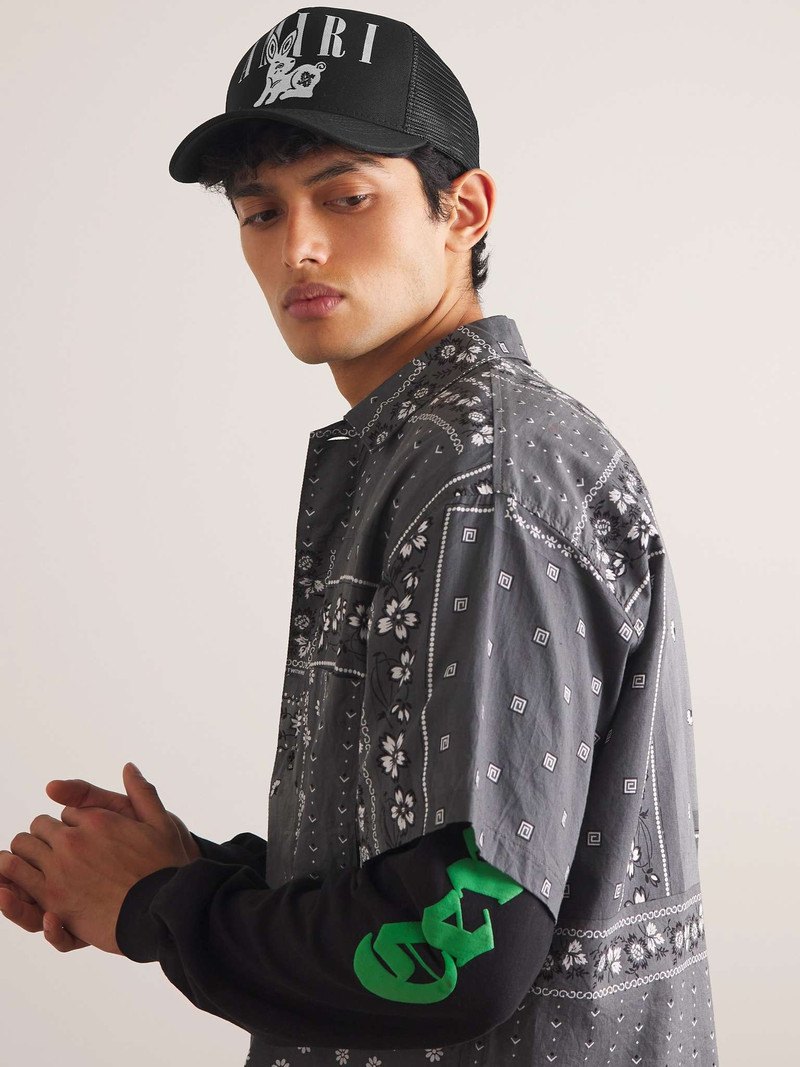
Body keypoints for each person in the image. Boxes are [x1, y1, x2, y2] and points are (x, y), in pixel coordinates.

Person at [0, 6, 720, 1064]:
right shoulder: (429, 450)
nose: (298, 245)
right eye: (260, 211)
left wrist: (160, 905)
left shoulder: (480, 476)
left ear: (462, 210)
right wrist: (188, 875)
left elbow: (459, 949)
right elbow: (436, 868)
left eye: (345, 197)